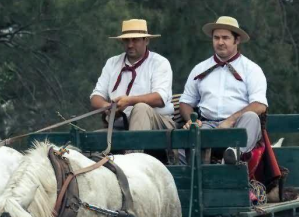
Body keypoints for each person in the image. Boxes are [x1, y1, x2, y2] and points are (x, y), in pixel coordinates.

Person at [178, 16, 268, 164]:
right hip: (207, 126)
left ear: (237, 40)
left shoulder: (251, 69)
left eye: (225, 38)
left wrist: (230, 120)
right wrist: (192, 121)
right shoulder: (200, 69)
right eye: (216, 38)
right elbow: (185, 102)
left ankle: (234, 154)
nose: (220, 42)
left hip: (238, 125)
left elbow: (259, 105)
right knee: (185, 144)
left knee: (252, 117)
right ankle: (190, 179)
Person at [90, 19, 174, 131]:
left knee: (141, 108)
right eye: (126, 40)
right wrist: (108, 108)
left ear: (146, 40)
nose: (130, 45)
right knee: (91, 140)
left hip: (159, 125)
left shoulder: (159, 63)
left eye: (135, 40)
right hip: (120, 126)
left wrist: (129, 101)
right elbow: (96, 97)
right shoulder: (112, 62)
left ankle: (135, 149)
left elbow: (160, 99)